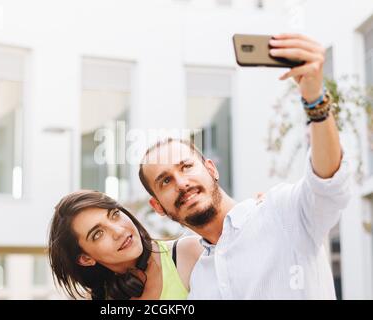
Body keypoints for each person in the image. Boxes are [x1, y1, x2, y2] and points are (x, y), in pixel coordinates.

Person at [138, 33, 351, 299]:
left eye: (186, 167)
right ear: (158, 206)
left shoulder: (281, 213)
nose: (181, 182)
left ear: (211, 169)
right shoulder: (199, 282)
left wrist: (315, 101)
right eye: (165, 181)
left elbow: (328, 184)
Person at [48, 190, 203, 300]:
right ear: (86, 259)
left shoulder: (189, 252)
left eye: (114, 215)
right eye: (98, 234)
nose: (118, 231)